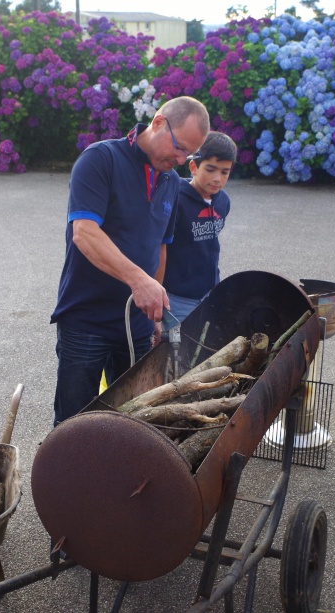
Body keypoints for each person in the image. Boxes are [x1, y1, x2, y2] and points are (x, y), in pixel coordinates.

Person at [50, 96, 210, 426]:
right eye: (178, 148)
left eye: (189, 154)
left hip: (136, 326)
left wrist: (153, 312)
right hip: (86, 321)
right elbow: (84, 233)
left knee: (132, 422)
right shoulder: (100, 159)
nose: (180, 160)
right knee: (73, 425)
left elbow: (160, 248)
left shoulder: (170, 182)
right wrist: (139, 281)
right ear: (158, 123)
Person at [160, 131, 237, 322]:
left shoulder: (223, 201)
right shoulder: (175, 199)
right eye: (210, 169)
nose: (217, 178)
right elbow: (158, 248)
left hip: (210, 294)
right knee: (179, 349)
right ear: (193, 166)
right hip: (177, 298)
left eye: (224, 172)